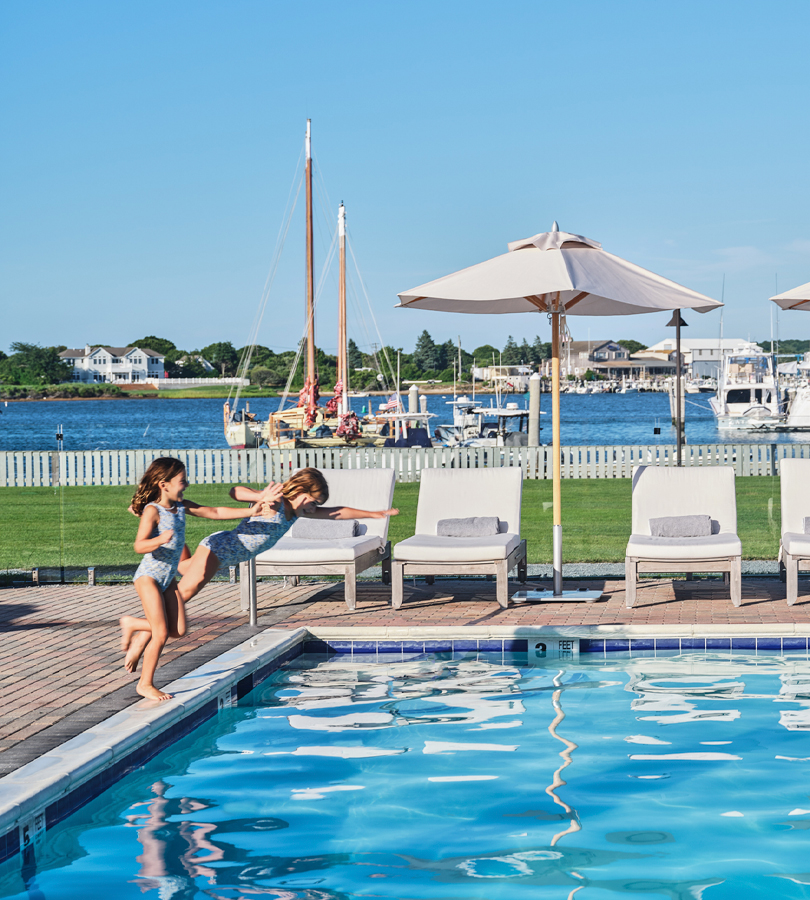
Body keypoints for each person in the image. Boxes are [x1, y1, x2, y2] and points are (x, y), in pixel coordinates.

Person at [123, 468, 399, 672]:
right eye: (314, 501)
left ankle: (168, 532)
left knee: (183, 570)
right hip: (219, 548)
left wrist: (375, 514)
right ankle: (140, 634)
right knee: (184, 593)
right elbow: (235, 492)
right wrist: (259, 496)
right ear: (301, 494)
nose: (316, 508)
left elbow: (338, 512)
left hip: (226, 554)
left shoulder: (298, 511)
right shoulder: (276, 502)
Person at [122, 457, 271, 701]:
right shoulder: (152, 511)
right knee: (160, 633)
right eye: (182, 481)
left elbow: (213, 512)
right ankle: (145, 684)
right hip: (149, 576)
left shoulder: (180, 506)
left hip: (167, 578)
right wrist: (160, 540)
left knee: (178, 630)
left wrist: (250, 511)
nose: (187, 485)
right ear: (164, 484)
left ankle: (134, 624)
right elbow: (139, 545)